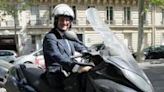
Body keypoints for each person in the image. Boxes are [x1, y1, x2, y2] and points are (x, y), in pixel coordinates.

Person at [43, 3, 92, 91]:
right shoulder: (50, 37)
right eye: (62, 20)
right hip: (56, 73)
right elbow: (56, 55)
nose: (65, 23)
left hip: (68, 72)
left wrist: (93, 52)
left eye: (67, 20)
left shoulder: (68, 36)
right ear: (56, 21)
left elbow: (80, 46)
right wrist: (75, 67)